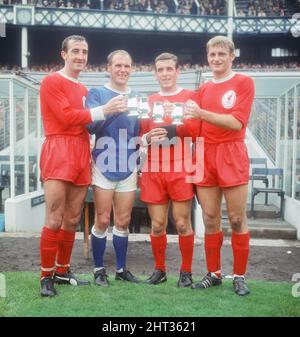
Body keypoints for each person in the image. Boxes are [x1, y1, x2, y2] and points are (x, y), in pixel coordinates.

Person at [39, 35, 117, 297]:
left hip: (81, 149)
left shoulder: (85, 90)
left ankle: (62, 270)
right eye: (75, 51)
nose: (80, 56)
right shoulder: (51, 81)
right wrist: (103, 110)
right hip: (59, 148)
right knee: (54, 216)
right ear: (64, 54)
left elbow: (87, 124)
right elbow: (66, 117)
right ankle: (45, 275)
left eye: (84, 51)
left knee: (72, 218)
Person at [185, 35, 255, 296]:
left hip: (232, 152)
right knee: (210, 218)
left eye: (221, 54)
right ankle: (214, 273)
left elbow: (237, 123)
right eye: (212, 55)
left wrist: (201, 113)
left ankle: (238, 275)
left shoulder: (243, 82)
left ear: (232, 56)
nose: (216, 59)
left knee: (237, 218)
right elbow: (193, 127)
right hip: (205, 153)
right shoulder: (202, 89)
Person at [139, 53, 200, 287]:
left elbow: (195, 132)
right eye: (160, 69)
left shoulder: (189, 97)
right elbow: (140, 136)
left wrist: (175, 120)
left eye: (168, 69)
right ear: (155, 73)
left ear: (177, 71)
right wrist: (146, 137)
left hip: (180, 166)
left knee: (183, 223)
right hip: (154, 168)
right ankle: (160, 270)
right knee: (157, 225)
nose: (164, 73)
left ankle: (186, 272)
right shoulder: (149, 100)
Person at [85, 50, 140, 287]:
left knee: (124, 220)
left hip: (128, 164)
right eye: (118, 65)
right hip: (103, 162)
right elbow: (89, 126)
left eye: (127, 66)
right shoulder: (97, 93)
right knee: (103, 219)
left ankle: (120, 269)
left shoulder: (136, 97)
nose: (122, 70)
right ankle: (99, 269)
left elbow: (137, 132)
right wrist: (110, 110)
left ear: (132, 69)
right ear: (109, 67)